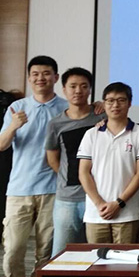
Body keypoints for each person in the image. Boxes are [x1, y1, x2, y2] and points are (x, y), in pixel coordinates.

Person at [0, 55, 68, 277]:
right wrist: (13, 126)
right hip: (20, 189)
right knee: (13, 250)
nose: (41, 78)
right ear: (29, 78)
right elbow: (1, 145)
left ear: (56, 77)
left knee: (46, 252)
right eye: (35, 74)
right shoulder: (17, 108)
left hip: (53, 190)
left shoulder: (66, 108)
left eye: (46, 73)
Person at [78, 82, 139, 243]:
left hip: (127, 213)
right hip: (96, 213)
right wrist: (99, 203)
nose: (115, 105)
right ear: (104, 103)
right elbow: (83, 172)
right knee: (96, 257)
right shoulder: (91, 134)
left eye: (121, 100)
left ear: (130, 103)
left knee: (124, 259)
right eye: (110, 100)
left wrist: (119, 203)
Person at [45, 67, 105, 257]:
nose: (78, 90)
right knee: (61, 253)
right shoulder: (56, 123)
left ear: (90, 89)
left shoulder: (102, 117)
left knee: (95, 254)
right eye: (73, 86)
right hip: (67, 198)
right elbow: (53, 159)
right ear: (64, 89)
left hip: (99, 197)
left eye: (84, 86)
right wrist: (73, 176)